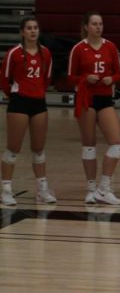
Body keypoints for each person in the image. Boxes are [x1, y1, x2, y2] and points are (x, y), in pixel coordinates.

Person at [67, 12, 120, 204]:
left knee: (117, 143)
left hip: (105, 98)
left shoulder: (110, 47)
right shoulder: (78, 49)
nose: (98, 27)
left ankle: (103, 188)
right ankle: (91, 188)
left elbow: (118, 74)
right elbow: (70, 77)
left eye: (100, 24)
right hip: (86, 98)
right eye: (94, 24)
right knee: (89, 145)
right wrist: (85, 78)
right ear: (86, 27)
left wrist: (112, 79)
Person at [1, 16, 57, 206]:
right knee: (13, 149)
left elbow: (47, 79)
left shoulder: (46, 54)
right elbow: (4, 79)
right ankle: (6, 190)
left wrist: (37, 91)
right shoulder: (14, 53)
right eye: (29, 28)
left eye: (35, 28)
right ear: (22, 32)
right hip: (19, 103)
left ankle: (42, 190)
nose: (33, 31)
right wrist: (15, 94)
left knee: (39, 149)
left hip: (39, 103)